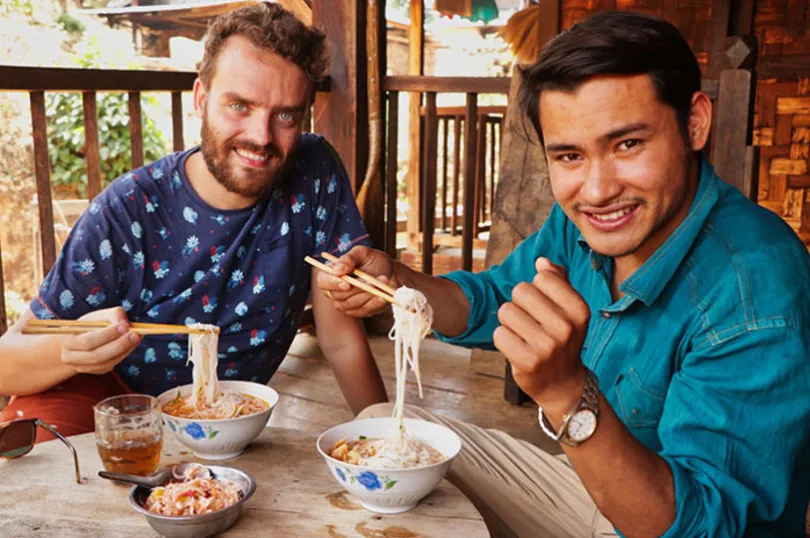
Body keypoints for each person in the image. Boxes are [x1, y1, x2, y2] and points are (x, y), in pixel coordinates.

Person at [317, 11, 810, 538]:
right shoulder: (583, 227)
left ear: (694, 123)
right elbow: (494, 300)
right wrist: (402, 286)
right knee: (398, 442)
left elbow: (697, 526)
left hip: (666, 518)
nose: (596, 191)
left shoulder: (755, 294)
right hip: (594, 490)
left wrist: (569, 395)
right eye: (570, 155)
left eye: (628, 145)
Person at [0, 3, 387, 441]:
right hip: (103, 394)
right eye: (240, 105)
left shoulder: (314, 170)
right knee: (34, 453)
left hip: (220, 418)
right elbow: (5, 363)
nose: (261, 136)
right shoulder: (127, 209)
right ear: (201, 99)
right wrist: (69, 352)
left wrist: (385, 435)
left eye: (285, 116)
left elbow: (339, 339)